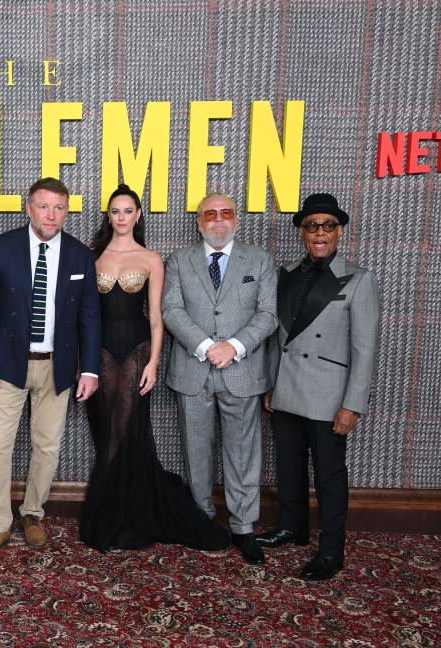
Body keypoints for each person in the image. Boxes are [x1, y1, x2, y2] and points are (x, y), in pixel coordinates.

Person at [80, 184, 230, 552]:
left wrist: (153, 362)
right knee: (106, 436)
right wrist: (82, 362)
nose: (121, 218)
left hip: (135, 353)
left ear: (138, 215)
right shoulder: (90, 256)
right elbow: (81, 314)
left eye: (128, 211)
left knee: (128, 434)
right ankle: (111, 513)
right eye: (115, 211)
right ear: (108, 215)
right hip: (98, 354)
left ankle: (125, 518)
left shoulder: (151, 258)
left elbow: (157, 320)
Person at [0, 177, 101, 562]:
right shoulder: (1, 248)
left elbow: (90, 317)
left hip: (56, 366)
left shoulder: (80, 256)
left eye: (59, 207)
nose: (51, 215)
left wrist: (90, 369)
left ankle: (32, 514)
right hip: (7, 364)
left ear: (66, 211)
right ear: (28, 208)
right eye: (43, 206)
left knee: (47, 446)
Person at [258, 193, 379, 581]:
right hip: (287, 388)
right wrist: (272, 383)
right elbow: (280, 338)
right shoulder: (284, 272)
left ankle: (331, 551)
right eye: (312, 225)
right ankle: (293, 527)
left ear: (339, 230)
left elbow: (365, 349)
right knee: (289, 466)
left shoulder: (359, 279)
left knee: (329, 475)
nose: (320, 232)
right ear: (302, 232)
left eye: (328, 225)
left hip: (329, 395)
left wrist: (353, 405)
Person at [161, 192, 277, 565]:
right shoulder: (179, 260)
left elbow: (268, 315)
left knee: (242, 454)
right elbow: (171, 309)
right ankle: (204, 521)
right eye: (209, 214)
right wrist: (208, 345)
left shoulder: (259, 260)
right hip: (193, 370)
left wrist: (234, 347)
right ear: (199, 222)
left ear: (236, 219)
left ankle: (243, 527)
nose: (218, 220)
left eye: (225, 213)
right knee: (196, 452)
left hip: (240, 371)